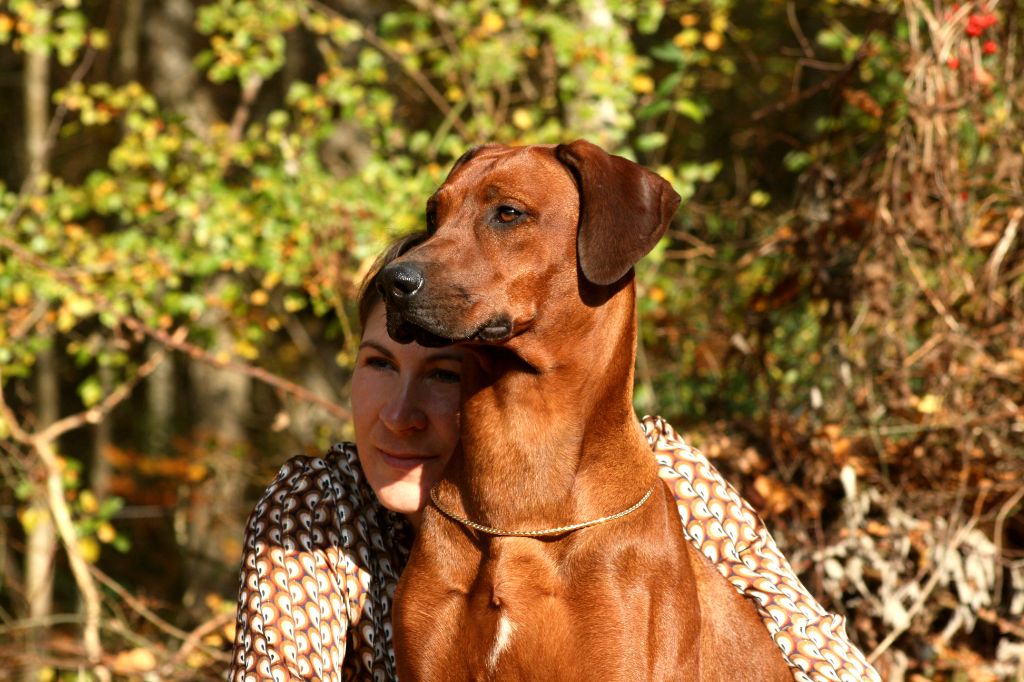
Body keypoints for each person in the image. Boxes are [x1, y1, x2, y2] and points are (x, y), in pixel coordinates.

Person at [228, 232, 880, 682]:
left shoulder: (648, 474)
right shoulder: (318, 507)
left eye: (445, 375)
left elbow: (817, 653)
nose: (399, 414)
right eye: (378, 364)